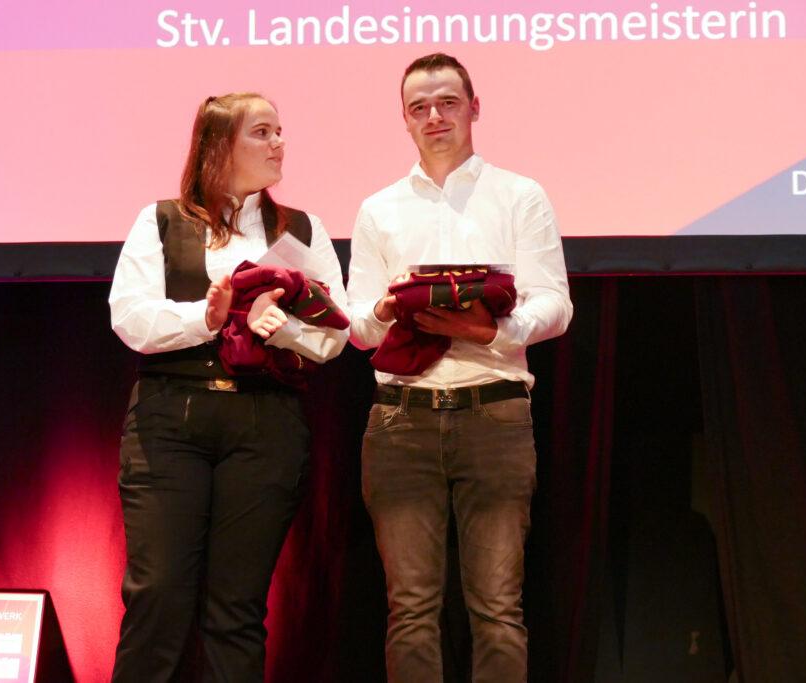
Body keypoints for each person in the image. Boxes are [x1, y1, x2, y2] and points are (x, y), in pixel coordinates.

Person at [346, 53, 573, 682]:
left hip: (493, 411)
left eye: (447, 102)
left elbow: (556, 304)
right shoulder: (379, 208)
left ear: (474, 108)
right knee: (410, 609)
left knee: (497, 608)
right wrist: (388, 307)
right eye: (418, 107)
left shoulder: (519, 195)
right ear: (404, 119)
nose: (434, 117)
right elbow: (358, 326)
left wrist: (491, 330)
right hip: (401, 419)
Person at [108, 92, 348, 682]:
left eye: (279, 131)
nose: (278, 143)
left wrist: (281, 326)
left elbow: (334, 335)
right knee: (157, 596)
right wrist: (208, 318)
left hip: (266, 423)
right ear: (219, 145)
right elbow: (130, 318)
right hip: (172, 418)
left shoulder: (303, 229)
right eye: (262, 132)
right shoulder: (162, 220)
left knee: (236, 608)